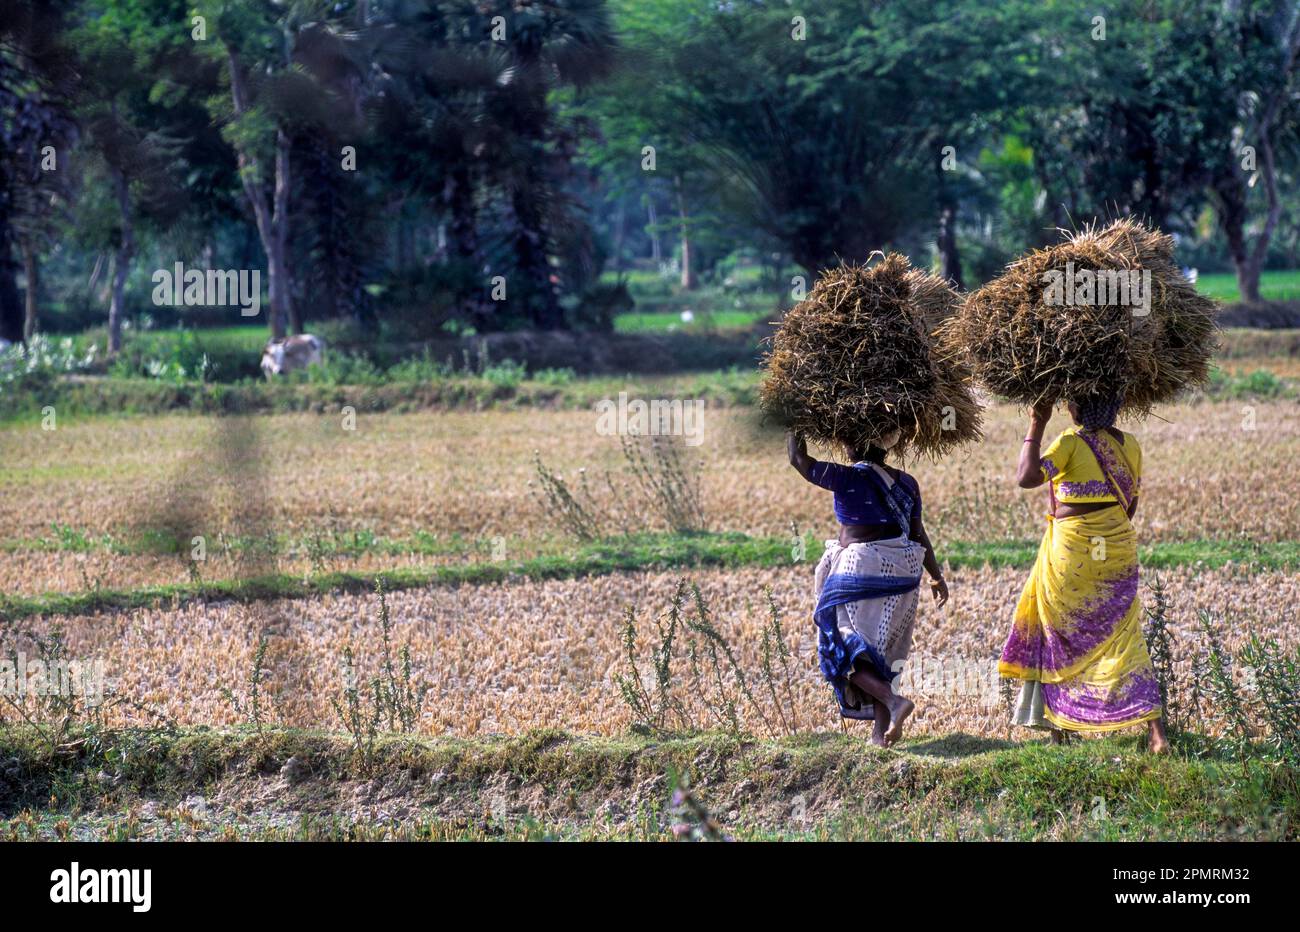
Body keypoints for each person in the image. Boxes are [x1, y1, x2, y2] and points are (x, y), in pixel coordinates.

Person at [999, 394, 1169, 753]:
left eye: (1071, 404)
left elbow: (1026, 477)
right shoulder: (1130, 445)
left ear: (1080, 409)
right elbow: (1131, 503)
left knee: (1062, 629)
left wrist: (1037, 422)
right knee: (1125, 632)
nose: (1067, 409)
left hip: (1073, 550)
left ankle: (1061, 729)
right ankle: (1156, 735)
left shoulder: (1070, 443)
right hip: (1117, 546)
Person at [788, 430, 949, 747]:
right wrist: (936, 575)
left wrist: (793, 423)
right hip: (904, 572)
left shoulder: (845, 477)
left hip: (862, 568)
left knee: (840, 650)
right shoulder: (907, 483)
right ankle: (879, 736)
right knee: (880, 654)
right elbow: (917, 534)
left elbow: (798, 459)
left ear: (852, 443)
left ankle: (893, 702)